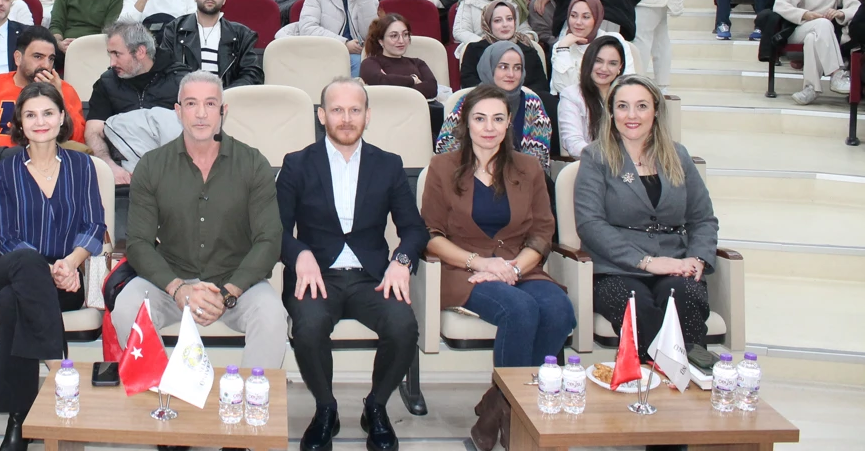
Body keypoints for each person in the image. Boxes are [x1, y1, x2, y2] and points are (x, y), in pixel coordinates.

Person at [421, 84, 574, 451]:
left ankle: (499, 405)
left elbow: (543, 231)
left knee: (560, 310)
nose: (488, 127)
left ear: (509, 124)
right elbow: (430, 234)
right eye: (480, 118)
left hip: (519, 265)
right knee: (519, 310)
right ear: (465, 123)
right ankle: (517, 417)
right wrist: (481, 262)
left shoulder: (528, 167)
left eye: (497, 119)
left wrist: (514, 269)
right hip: (463, 269)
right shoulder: (443, 166)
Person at [278, 78, 426, 451]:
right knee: (309, 327)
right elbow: (274, 230)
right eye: (337, 110)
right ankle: (325, 409)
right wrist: (299, 254)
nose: (346, 119)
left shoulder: (388, 164)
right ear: (321, 115)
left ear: (367, 116)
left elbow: (414, 229)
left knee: (404, 326)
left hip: (372, 277)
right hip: (316, 275)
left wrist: (401, 261)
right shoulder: (296, 164)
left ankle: (375, 406)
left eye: (355, 110)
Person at [112, 72, 286, 368]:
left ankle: (252, 395)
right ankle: (159, 389)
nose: (201, 114)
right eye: (191, 104)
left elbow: (269, 240)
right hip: (171, 281)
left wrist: (229, 293)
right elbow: (139, 243)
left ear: (223, 111)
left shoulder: (253, 163)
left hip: (237, 283)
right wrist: (178, 289)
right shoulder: (152, 165)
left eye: (210, 104)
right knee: (126, 307)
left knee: (272, 316)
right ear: (178, 111)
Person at [0, 82, 105, 450]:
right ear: (19, 122)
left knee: (10, 304)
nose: (40, 121)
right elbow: (6, 237)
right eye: (30, 115)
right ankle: (58, 368)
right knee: (25, 264)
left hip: (63, 283)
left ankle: (18, 418)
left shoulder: (82, 165)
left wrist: (71, 263)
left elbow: (95, 225)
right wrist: (47, 269)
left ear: (62, 117)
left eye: (48, 113)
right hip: (5, 272)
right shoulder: (5, 168)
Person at [575, 75, 717, 356]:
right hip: (616, 269)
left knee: (684, 297)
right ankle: (652, 377)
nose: (632, 115)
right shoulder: (596, 157)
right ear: (611, 112)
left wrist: (698, 258)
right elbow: (590, 224)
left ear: (656, 111)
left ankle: (687, 376)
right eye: (622, 106)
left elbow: (703, 219)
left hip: (676, 264)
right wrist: (648, 262)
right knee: (635, 305)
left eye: (641, 106)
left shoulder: (678, 156)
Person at [85, 21, 186, 184]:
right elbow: (93, 132)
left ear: (140, 52)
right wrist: (109, 166)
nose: (112, 63)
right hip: (124, 173)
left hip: (176, 171)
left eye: (117, 54)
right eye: (110, 54)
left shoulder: (180, 80)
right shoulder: (107, 83)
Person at [0, 28, 86, 152]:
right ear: (18, 58)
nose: (46, 65)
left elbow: (78, 140)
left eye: (51, 59)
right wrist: (2, 154)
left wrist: (58, 98)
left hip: (46, 159)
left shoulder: (64, 90)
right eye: (38, 57)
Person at [437, 41, 552, 167]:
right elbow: (445, 144)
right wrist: (480, 168)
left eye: (517, 68)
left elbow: (539, 155)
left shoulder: (532, 104)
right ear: (489, 68)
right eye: (503, 67)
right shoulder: (468, 100)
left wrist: (503, 170)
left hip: (520, 176)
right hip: (471, 173)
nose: (511, 74)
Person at [773, 0, 859, 104]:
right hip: (798, 28)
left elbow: (856, 7)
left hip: (823, 32)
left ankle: (811, 89)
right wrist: (805, 14)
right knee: (822, 24)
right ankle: (836, 73)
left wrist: (841, 13)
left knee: (813, 38)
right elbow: (780, 5)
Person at [158, 0, 262, 88]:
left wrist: (224, 94)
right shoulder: (174, 30)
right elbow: (165, 71)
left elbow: (252, 74)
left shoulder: (242, 34)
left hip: (227, 97)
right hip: (186, 96)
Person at [285, 0, 379, 76]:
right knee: (358, 62)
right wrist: (343, 44)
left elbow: (371, 35)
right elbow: (307, 28)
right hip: (323, 52)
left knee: (369, 62)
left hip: (356, 54)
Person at [460, 0, 551, 96]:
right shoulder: (474, 50)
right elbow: (469, 84)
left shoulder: (528, 49)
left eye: (509, 19)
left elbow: (541, 85)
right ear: (487, 23)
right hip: (486, 99)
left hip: (525, 101)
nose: (505, 25)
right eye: (497, 20)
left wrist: (518, 96)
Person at [550, 0, 635, 95]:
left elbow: (628, 81)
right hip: (572, 102)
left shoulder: (614, 41)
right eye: (573, 16)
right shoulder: (562, 45)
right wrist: (563, 49)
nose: (578, 22)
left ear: (597, 18)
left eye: (586, 17)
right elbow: (564, 89)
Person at [557, 35, 625, 158]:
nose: (604, 68)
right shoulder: (572, 95)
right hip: (592, 164)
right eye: (598, 61)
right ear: (588, 61)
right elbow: (573, 144)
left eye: (612, 63)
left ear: (620, 67)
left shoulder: (627, 95)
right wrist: (609, 158)